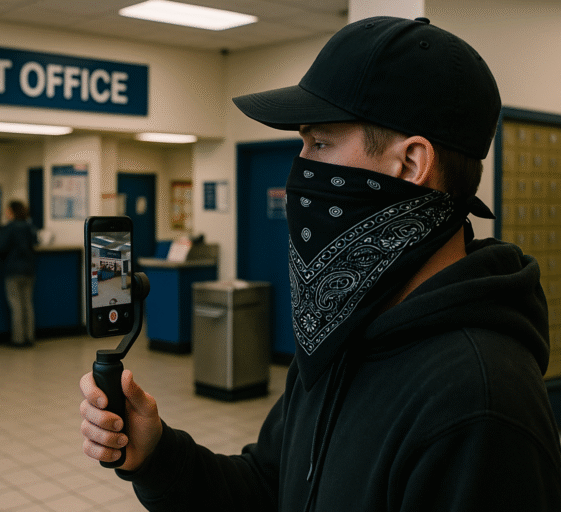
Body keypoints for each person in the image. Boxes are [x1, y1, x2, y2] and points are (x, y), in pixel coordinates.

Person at [79, 16, 561, 511]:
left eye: (321, 143)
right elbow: (271, 488)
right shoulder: (339, 335)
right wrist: (158, 456)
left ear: (411, 163)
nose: (300, 170)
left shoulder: (480, 408)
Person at [0, 200, 38, 348]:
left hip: (13, 270)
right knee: (27, 304)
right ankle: (29, 337)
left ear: (12, 212)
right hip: (29, 270)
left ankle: (18, 339)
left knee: (16, 305)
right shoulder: (29, 227)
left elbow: (0, 246)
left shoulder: (9, 228)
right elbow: (34, 243)